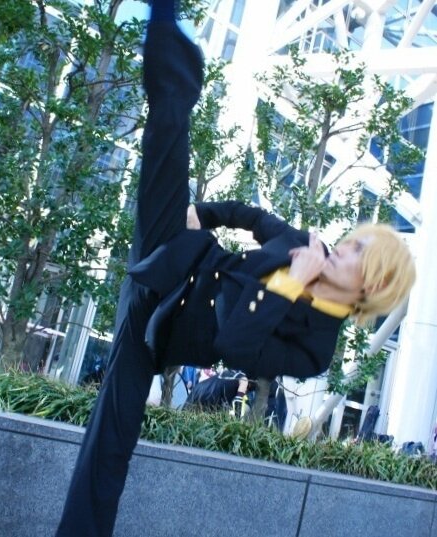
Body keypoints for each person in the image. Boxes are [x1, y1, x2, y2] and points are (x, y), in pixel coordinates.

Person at [55, 2, 416, 536]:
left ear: (374, 284)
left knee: (110, 443)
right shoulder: (302, 243)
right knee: (168, 129)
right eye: (354, 239)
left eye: (360, 250)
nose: (345, 246)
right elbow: (251, 216)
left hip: (157, 331)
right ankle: (169, 26)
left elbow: (236, 346)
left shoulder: (316, 347)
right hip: (172, 253)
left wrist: (291, 283)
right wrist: (203, 214)